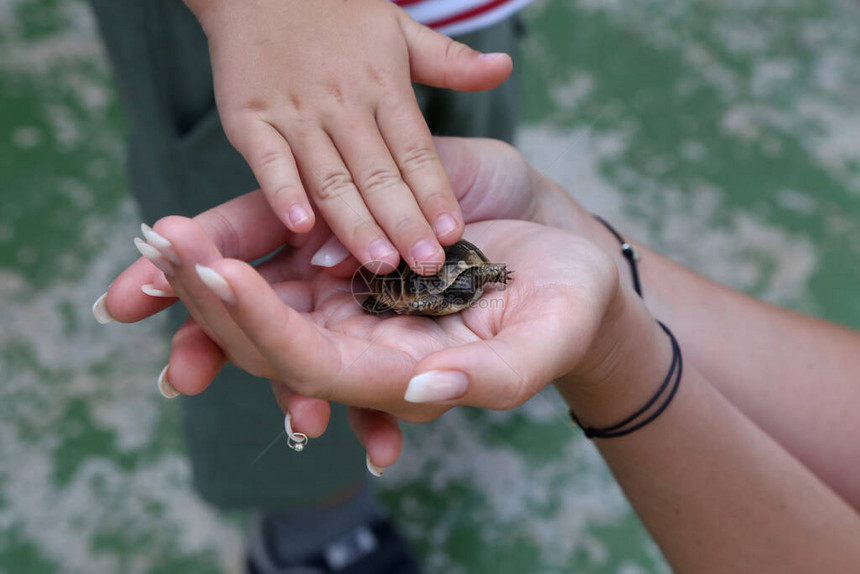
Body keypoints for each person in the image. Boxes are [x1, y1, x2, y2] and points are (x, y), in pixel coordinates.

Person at [99, 137, 860, 571]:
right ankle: (304, 524)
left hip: (423, 286)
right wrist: (557, 225)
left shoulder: (466, 282)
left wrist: (613, 350)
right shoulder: (460, 270)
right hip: (409, 272)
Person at [88, 0, 530, 571]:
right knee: (256, 307)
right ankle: (314, 522)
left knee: (443, 168)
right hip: (248, 41)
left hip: (456, 16)